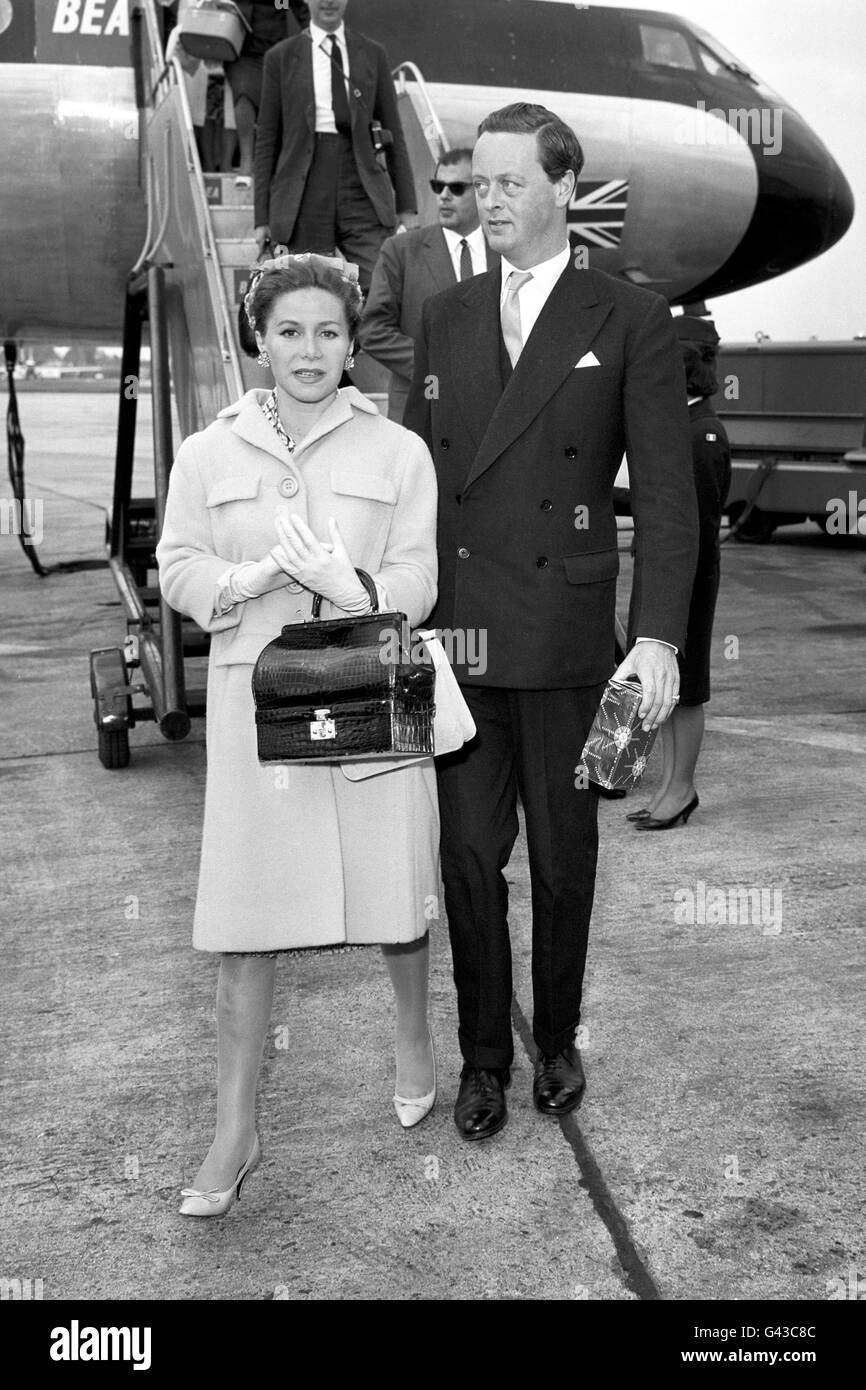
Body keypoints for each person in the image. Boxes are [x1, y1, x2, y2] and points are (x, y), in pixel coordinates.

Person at [404, 102, 699, 1142]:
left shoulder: (627, 318)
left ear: (562, 187)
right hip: (460, 636)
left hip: (572, 643)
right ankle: (483, 1059)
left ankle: (558, 1034)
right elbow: (413, 483)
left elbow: (666, 498)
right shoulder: (443, 316)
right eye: (475, 184)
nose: (486, 201)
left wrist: (655, 637)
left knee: (565, 861)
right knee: (469, 861)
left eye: (506, 182)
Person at [156, 254, 439, 1217]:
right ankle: (234, 1132)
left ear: (353, 339)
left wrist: (353, 586)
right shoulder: (207, 453)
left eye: (327, 331)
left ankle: (412, 1041)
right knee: (245, 919)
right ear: (260, 341)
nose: (308, 350)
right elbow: (180, 564)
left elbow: (419, 576)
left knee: (395, 898)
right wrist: (246, 582)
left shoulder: (398, 450)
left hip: (367, 687)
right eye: (288, 332)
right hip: (253, 700)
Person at [629, 316, 731, 830]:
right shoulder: (684, 426)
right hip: (665, 573)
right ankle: (670, 786)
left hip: (688, 579)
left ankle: (682, 789)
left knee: (686, 690)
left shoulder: (702, 432)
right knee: (664, 692)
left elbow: (696, 522)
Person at [253, 0, 417, 291]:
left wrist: (407, 207)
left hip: (360, 181)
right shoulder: (280, 57)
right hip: (303, 188)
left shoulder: (373, 53)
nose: (328, 2)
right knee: (306, 290)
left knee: (380, 286)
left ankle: (370, 338)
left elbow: (395, 133)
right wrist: (261, 218)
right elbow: (267, 139)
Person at [359, 148, 498, 423]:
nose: (443, 195)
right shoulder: (401, 250)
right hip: (423, 411)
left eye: (456, 188)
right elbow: (372, 330)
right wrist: (434, 365)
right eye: (438, 186)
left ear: (482, 190)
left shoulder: (507, 250)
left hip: (493, 412)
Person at [223, 1, 306, 180]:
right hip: (241, 50)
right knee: (243, 94)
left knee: (273, 108)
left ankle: (270, 162)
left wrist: (315, 34)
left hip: (273, 49)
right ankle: (246, 160)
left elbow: (295, 6)